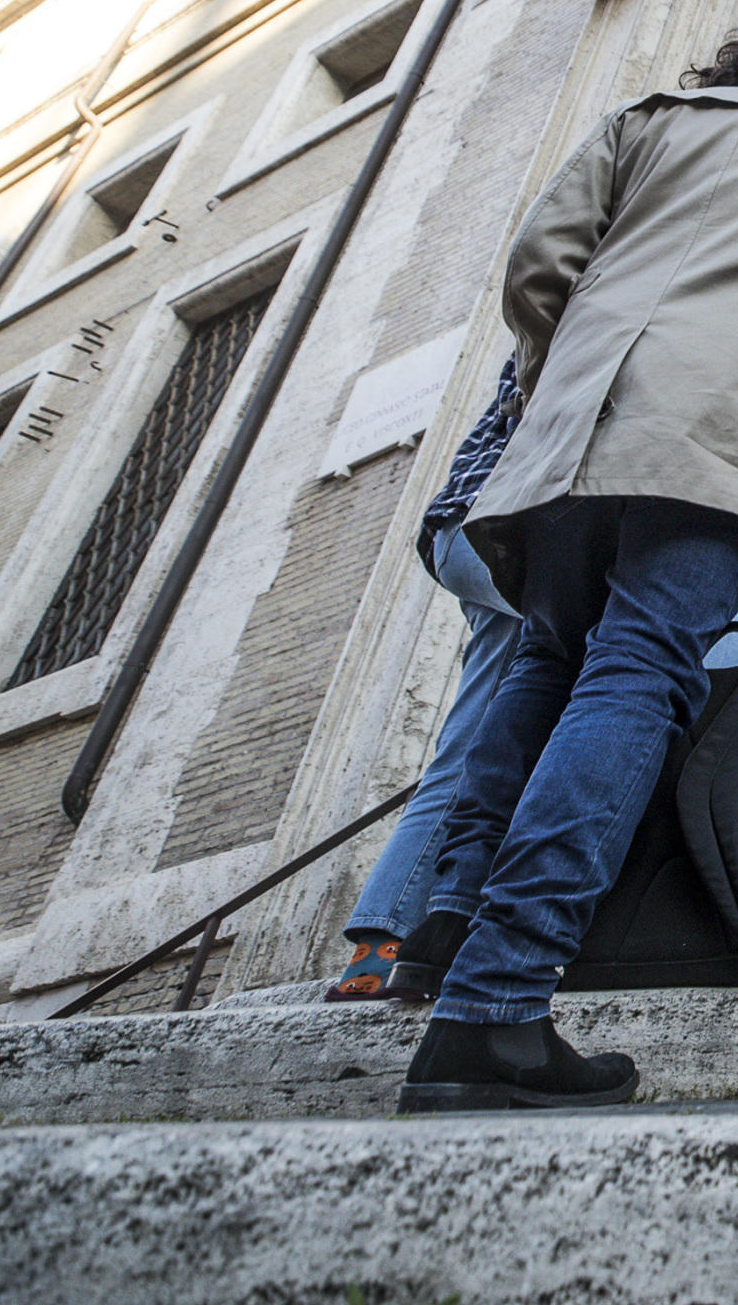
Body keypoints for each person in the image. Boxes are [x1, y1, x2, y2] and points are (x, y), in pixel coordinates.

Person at [393, 18, 738, 1112]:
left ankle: (444, 931)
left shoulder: (644, 121)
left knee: (544, 665)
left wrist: (563, 378)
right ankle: (499, 998)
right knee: (637, 671)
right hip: (725, 427)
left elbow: (539, 264)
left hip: (577, 432)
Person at [325, 359, 524, 1001]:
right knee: (632, 667)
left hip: (467, 534)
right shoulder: (582, 314)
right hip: (505, 530)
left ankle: (379, 952)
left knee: (472, 743)